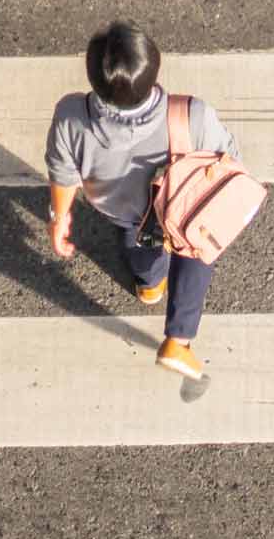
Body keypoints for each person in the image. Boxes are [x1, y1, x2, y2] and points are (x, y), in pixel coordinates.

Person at [45, 21, 240, 382]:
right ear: (154, 68)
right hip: (181, 208)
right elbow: (229, 157)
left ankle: (150, 287)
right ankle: (178, 340)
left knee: (138, 243)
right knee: (194, 250)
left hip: (121, 210)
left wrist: (60, 218)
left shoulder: (70, 116)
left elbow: (63, 174)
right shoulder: (191, 114)